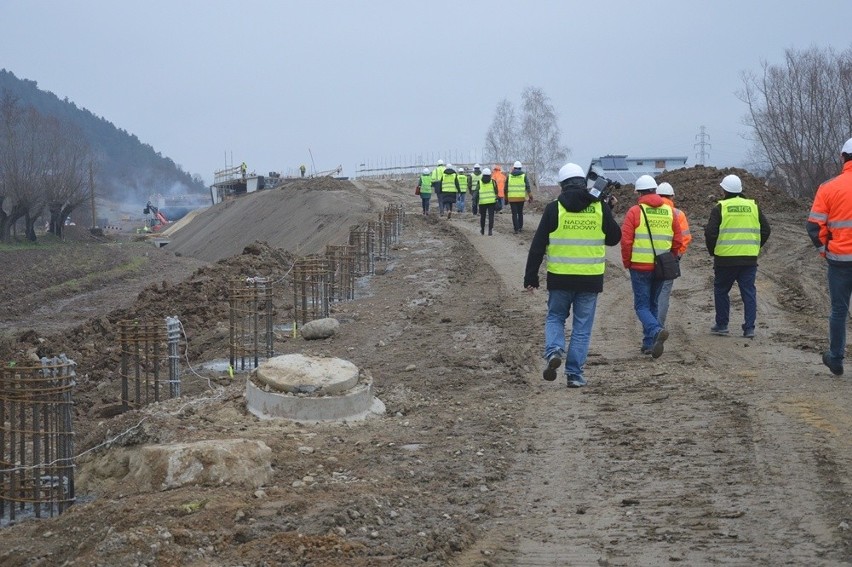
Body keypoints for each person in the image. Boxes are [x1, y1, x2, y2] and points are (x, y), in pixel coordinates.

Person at [524, 163, 622, 387]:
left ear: (562, 185)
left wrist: (531, 278)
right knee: (581, 328)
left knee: (555, 317)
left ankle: (554, 351)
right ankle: (574, 375)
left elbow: (538, 246)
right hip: (590, 279)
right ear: (583, 183)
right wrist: (609, 210)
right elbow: (614, 238)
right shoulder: (599, 207)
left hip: (560, 278)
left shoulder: (554, 209)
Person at [621, 174, 683, 358]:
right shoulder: (669, 211)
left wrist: (627, 262)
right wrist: (669, 258)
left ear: (639, 192)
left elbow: (626, 241)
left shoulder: (635, 211)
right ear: (655, 190)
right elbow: (678, 240)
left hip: (640, 267)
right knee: (653, 304)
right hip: (661, 267)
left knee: (641, 306)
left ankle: (655, 331)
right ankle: (649, 343)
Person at [704, 173, 771, 338]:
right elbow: (766, 230)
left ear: (724, 190)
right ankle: (749, 328)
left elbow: (710, 233)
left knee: (721, 290)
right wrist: (755, 246)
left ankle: (722, 324)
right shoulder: (753, 206)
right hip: (748, 259)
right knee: (748, 292)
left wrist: (714, 251)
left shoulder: (720, 208)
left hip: (725, 259)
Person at [806, 137, 852, 375]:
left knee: (839, 310)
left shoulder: (829, 187)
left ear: (843, 158)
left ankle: (836, 358)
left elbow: (814, 226)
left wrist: (825, 250)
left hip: (840, 260)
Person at [654, 182, 692, 327]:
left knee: (649, 293)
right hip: (669, 259)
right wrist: (677, 255)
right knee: (664, 293)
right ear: (672, 196)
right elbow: (685, 237)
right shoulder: (678, 214)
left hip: (648, 258)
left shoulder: (645, 211)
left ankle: (650, 327)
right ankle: (659, 326)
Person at [506, 161, 532, 233]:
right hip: (521, 198)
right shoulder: (524, 175)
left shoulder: (509, 176)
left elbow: (505, 188)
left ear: (514, 168)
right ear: (520, 168)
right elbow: (528, 186)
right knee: (520, 212)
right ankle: (520, 227)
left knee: (514, 214)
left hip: (512, 198)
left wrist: (506, 198)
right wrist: (530, 196)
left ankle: (516, 229)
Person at [476, 167, 499, 235]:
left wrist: (475, 201)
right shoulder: (493, 182)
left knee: (483, 216)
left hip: (482, 202)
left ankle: (482, 230)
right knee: (491, 216)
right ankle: (490, 231)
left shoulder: (479, 182)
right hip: (491, 202)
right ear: (490, 175)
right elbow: (496, 191)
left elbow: (476, 193)